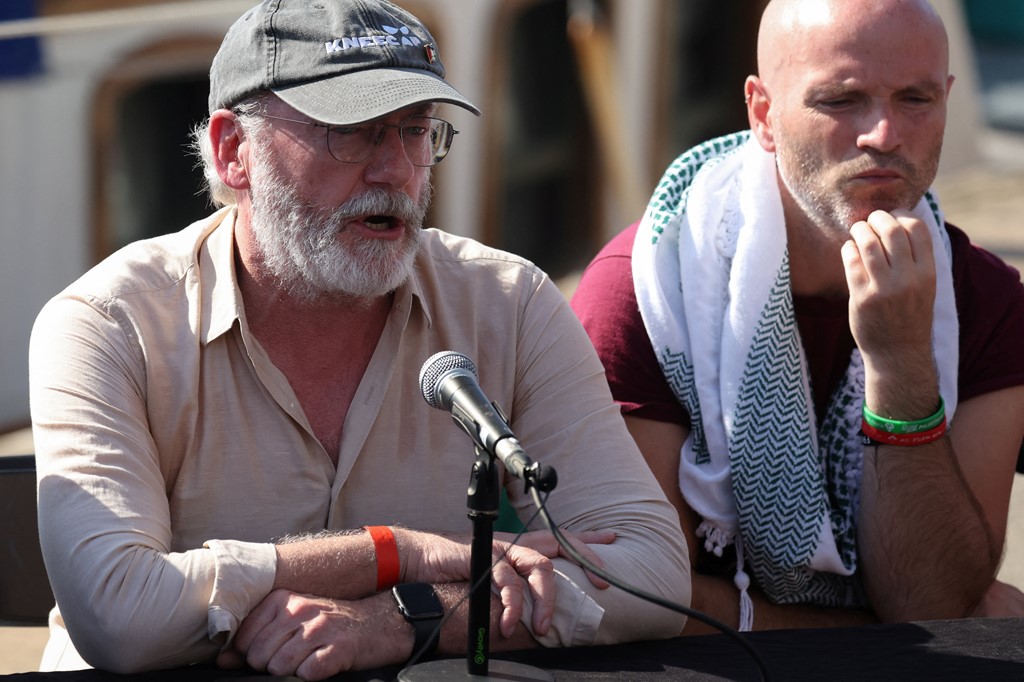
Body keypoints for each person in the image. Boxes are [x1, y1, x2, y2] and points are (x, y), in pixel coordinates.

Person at [28, 1, 689, 678]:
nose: (396, 171)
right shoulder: (108, 325)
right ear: (234, 152)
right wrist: (395, 552)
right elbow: (117, 616)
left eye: (415, 131)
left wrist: (405, 617)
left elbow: (654, 574)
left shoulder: (508, 302)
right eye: (352, 133)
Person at [571, 0, 1024, 634]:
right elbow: (638, 604)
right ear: (764, 114)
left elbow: (932, 602)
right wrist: (869, 635)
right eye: (841, 101)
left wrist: (900, 369)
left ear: (948, 100)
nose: (883, 135)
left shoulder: (986, 301)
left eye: (916, 99)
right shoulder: (641, 297)